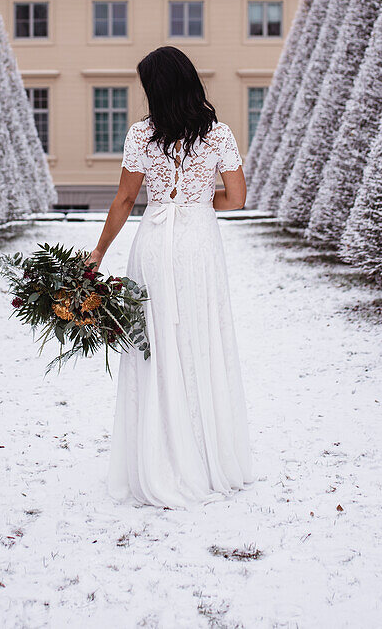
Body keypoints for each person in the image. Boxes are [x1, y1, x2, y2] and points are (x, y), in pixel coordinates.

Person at [86, 45, 256, 509]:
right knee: (199, 340)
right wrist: (199, 205)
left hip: (154, 245)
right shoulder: (218, 133)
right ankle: (203, 456)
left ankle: (157, 454)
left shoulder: (141, 135)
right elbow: (237, 199)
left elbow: (124, 201)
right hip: (197, 246)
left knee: (154, 345)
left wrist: (99, 251)